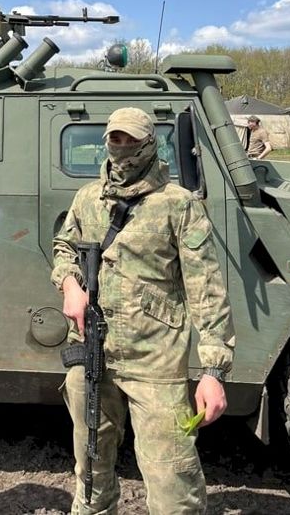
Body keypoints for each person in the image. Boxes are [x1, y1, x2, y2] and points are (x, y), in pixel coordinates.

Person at [51, 108, 235, 514]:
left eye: (131, 140)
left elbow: (206, 291)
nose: (122, 148)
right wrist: (69, 285)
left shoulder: (178, 205)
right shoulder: (88, 199)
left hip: (156, 363)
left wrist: (213, 372)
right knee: (91, 474)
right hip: (93, 354)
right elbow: (64, 246)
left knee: (174, 487)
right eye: (115, 139)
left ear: (150, 143)